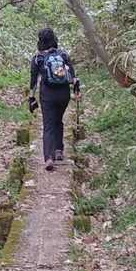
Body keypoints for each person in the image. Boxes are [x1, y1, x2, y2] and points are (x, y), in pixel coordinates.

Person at [28, 26, 80, 171]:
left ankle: (49, 157)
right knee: (58, 120)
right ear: (54, 39)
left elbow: (33, 81)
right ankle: (59, 150)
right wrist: (76, 91)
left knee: (49, 124)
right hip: (63, 94)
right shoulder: (63, 54)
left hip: (47, 95)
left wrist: (31, 98)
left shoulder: (38, 58)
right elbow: (73, 77)